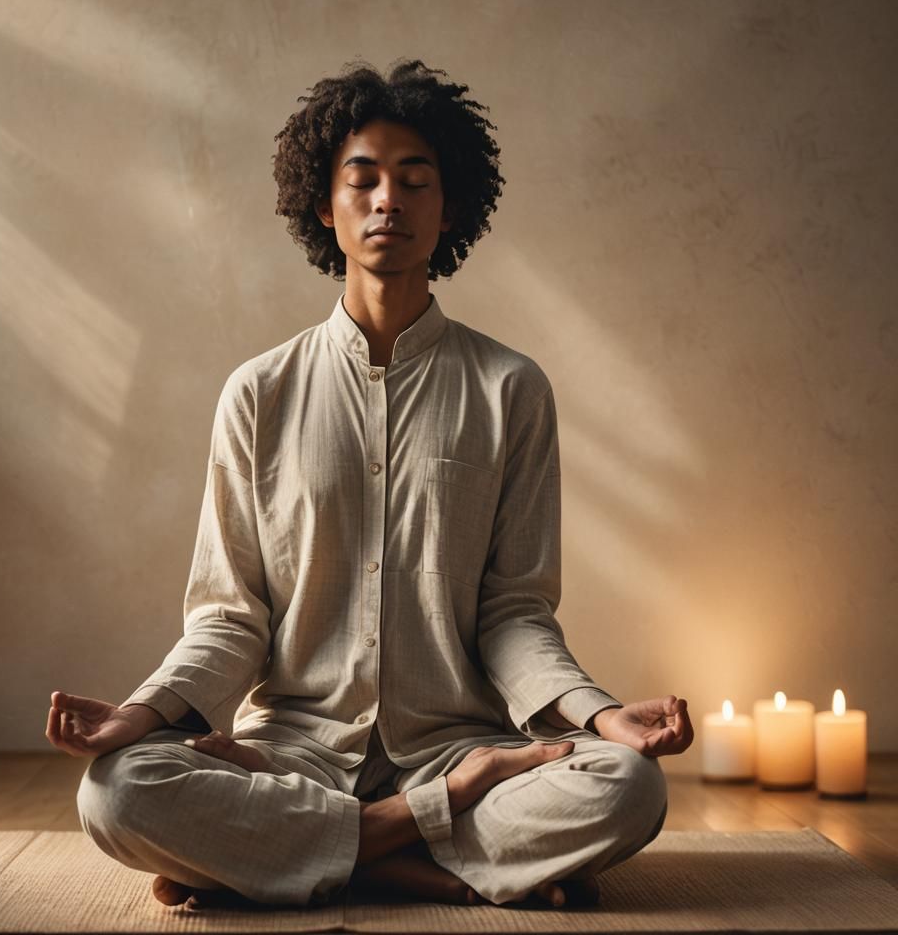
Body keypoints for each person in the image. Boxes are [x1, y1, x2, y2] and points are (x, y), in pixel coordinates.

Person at [46, 58, 694, 910]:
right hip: (289, 754)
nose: (389, 199)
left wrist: (598, 716)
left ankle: (285, 860)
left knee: (629, 788)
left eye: (415, 181)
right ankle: (423, 859)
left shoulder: (511, 390)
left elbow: (514, 613)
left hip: (461, 746)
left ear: (448, 207)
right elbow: (229, 615)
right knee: (117, 789)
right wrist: (145, 714)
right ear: (325, 204)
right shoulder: (259, 392)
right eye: (364, 180)